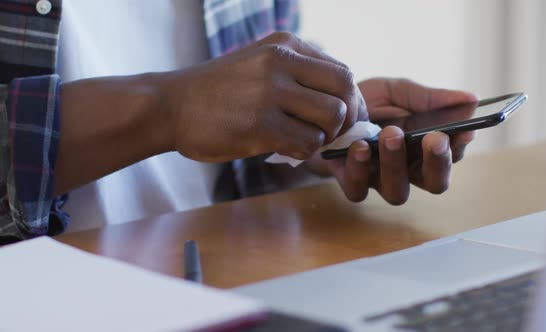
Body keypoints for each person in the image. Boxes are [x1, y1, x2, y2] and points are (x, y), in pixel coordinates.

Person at [0, 0, 476, 243]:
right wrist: (169, 108)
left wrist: (315, 128)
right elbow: (197, 101)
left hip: (237, 285)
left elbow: (236, 87)